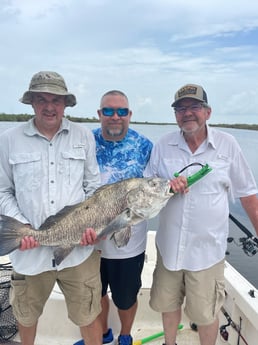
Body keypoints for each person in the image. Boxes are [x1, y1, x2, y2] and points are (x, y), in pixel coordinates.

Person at [144, 83, 258, 345]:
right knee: (168, 304)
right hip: (169, 247)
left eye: (194, 107)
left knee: (206, 315)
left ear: (208, 112)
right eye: (181, 108)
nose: (187, 113)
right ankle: (168, 343)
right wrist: (166, 186)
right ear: (175, 115)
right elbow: (146, 186)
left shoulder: (227, 145)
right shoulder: (163, 145)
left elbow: (248, 196)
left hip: (207, 252)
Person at [0, 71, 103, 345]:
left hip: (78, 254)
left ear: (66, 104)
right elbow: (3, 191)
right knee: (26, 316)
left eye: (56, 100)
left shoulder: (84, 136)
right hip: (29, 255)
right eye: (41, 99)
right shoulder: (9, 139)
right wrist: (23, 228)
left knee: (89, 316)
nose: (49, 106)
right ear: (31, 102)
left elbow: (94, 188)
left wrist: (91, 225)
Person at [74, 90, 153, 345]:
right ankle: (104, 333)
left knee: (126, 296)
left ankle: (125, 335)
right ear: (99, 114)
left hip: (128, 243)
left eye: (121, 111)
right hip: (89, 240)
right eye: (108, 111)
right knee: (95, 294)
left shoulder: (145, 146)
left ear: (129, 115)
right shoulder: (85, 142)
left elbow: (158, 187)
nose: (115, 117)